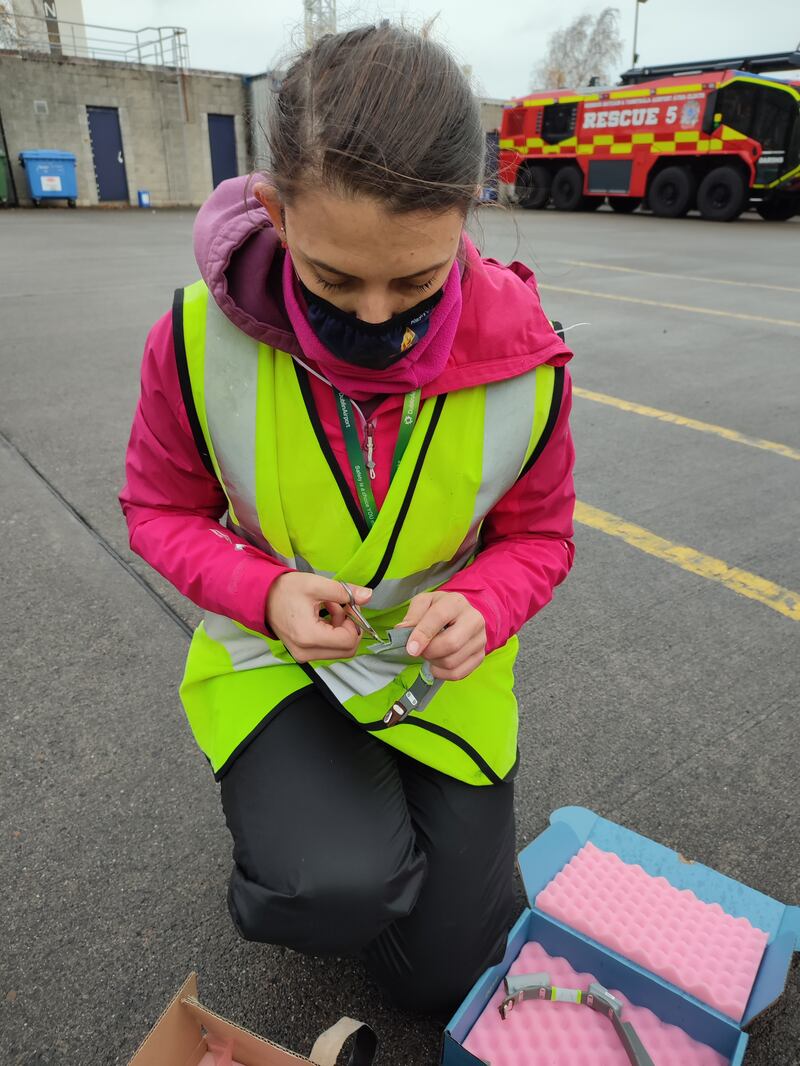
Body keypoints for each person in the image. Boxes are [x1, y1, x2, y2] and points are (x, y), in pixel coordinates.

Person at [120, 23, 575, 1017]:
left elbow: (539, 538)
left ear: (468, 211)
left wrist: (482, 605)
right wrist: (265, 588)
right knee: (326, 888)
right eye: (332, 278)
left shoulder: (530, 361)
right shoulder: (192, 339)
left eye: (414, 281)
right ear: (274, 211)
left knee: (448, 976)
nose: (375, 320)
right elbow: (157, 508)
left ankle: (364, 827)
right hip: (277, 658)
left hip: (430, 679)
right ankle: (310, 846)